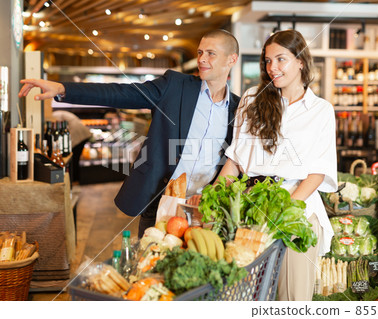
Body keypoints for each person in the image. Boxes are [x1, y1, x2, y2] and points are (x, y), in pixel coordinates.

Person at [18, 29, 240, 237]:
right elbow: (120, 93)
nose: (201, 59)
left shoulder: (239, 109)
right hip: (161, 201)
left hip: (204, 208)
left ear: (232, 59)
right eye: (200, 52)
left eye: (211, 54)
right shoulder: (175, 86)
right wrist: (63, 89)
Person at [210, 30, 337, 300]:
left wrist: (283, 212)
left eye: (281, 59)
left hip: (296, 212)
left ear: (301, 61)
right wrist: (215, 196)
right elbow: (235, 159)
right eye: (268, 61)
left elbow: (318, 171)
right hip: (248, 208)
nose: (272, 68)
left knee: (291, 299)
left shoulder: (321, 110)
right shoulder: (252, 98)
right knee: (244, 295)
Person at [52, 110, 92, 183]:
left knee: (74, 159)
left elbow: (58, 128)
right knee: (75, 159)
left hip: (79, 135)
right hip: (83, 134)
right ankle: (75, 180)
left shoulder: (54, 115)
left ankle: (75, 180)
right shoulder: (60, 113)